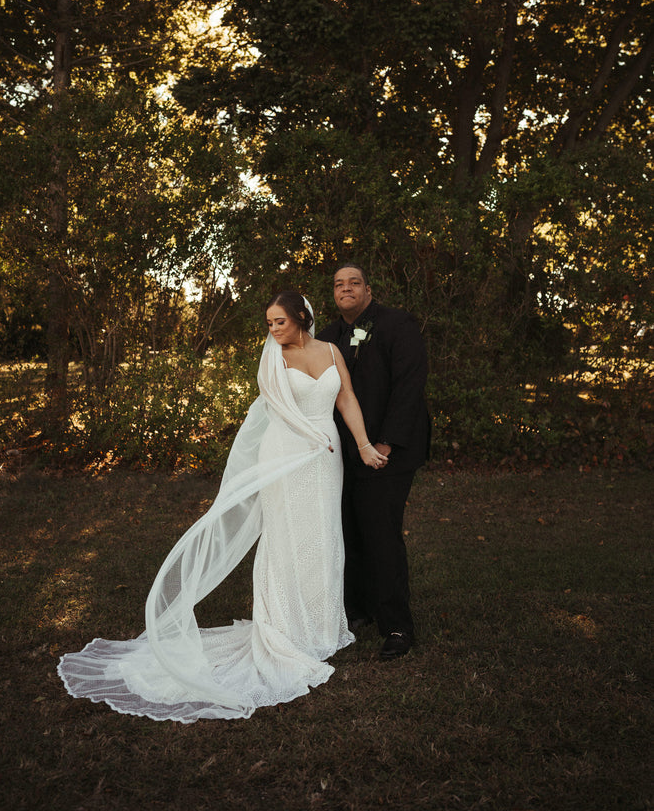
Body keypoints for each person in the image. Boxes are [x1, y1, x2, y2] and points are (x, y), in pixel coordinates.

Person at [58, 291, 386, 722]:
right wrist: (313, 438)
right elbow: (279, 408)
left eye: (280, 323)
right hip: (289, 452)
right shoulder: (272, 357)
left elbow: (345, 399)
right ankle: (284, 631)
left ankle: (321, 629)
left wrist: (361, 444)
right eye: (269, 323)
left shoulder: (330, 350)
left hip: (325, 460)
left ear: (302, 318)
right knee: (286, 538)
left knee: (323, 535)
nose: (273, 330)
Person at [317, 264, 431, 660]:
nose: (345, 288)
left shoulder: (398, 324)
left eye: (353, 282)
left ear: (368, 289)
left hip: (388, 450)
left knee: (381, 535)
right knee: (348, 531)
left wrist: (385, 443)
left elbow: (410, 384)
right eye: (338, 284)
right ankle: (358, 609)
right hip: (341, 453)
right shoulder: (327, 337)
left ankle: (397, 625)